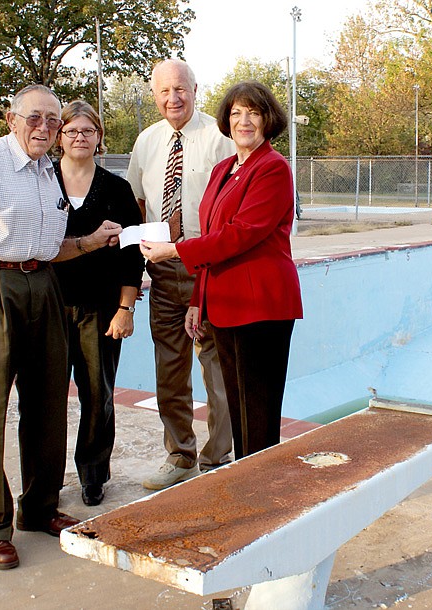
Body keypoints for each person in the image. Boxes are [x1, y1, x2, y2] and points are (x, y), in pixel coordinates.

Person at [0, 84, 121, 571]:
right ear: (12, 119)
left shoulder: (46, 175)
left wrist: (91, 242)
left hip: (43, 285)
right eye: (34, 118)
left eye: (52, 121)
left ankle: (38, 508)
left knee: (48, 404)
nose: (44, 127)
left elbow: (52, 246)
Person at [140, 80, 303, 459]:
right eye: (236, 113)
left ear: (268, 120)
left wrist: (175, 250)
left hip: (261, 306)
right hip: (226, 303)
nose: (244, 121)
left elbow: (240, 234)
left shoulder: (273, 169)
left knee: (258, 414)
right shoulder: (223, 169)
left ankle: (262, 498)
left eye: (254, 113)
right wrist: (198, 299)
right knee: (238, 405)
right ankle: (247, 486)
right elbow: (213, 234)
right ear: (226, 121)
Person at [126, 58, 236, 490]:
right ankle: (180, 455)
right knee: (169, 369)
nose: (173, 98)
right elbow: (137, 203)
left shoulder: (219, 138)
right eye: (164, 91)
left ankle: (218, 457)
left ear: (195, 87)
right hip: (164, 272)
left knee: (216, 369)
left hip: (208, 270)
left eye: (181, 88)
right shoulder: (147, 142)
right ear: (154, 96)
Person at [52, 100, 144, 507]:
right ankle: (45, 476)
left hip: (100, 308)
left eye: (88, 131)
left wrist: (126, 308)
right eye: (71, 130)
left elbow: (132, 256)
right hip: (48, 306)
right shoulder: (40, 183)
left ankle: (93, 474)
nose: (79, 137)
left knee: (97, 394)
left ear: (99, 138)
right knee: (46, 396)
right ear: (59, 137)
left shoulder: (116, 189)